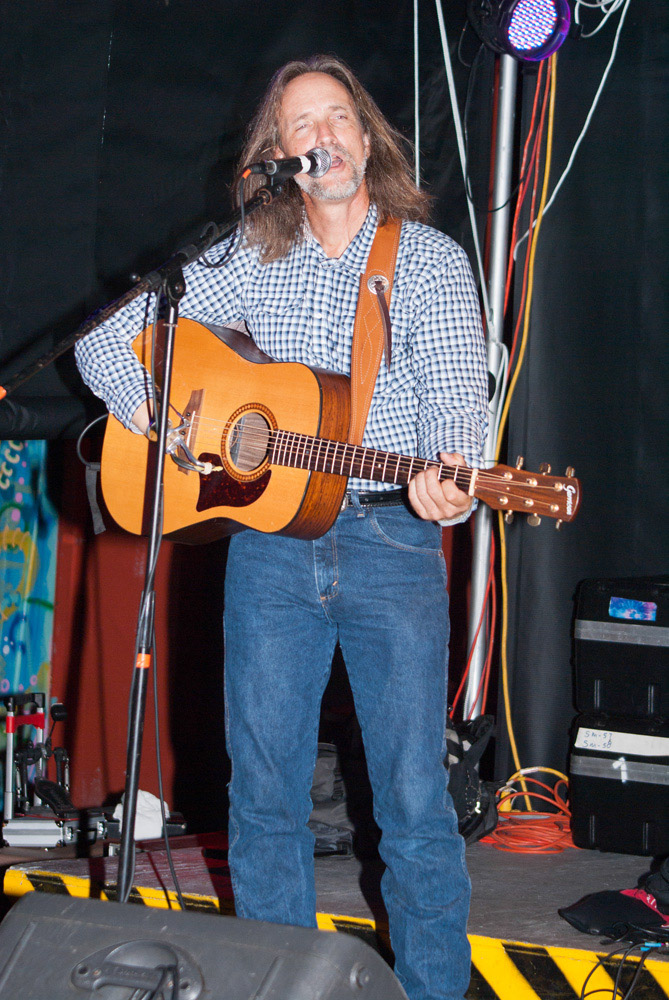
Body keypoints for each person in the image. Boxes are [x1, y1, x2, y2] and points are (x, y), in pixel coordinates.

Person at [76, 54, 488, 1000]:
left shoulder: (421, 259)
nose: (323, 138)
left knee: (414, 804)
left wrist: (452, 476)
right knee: (263, 804)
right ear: (275, 155)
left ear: (367, 135)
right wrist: (174, 425)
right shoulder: (249, 257)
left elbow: (460, 399)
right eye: (301, 126)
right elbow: (103, 341)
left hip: (389, 541)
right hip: (267, 549)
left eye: (337, 117)